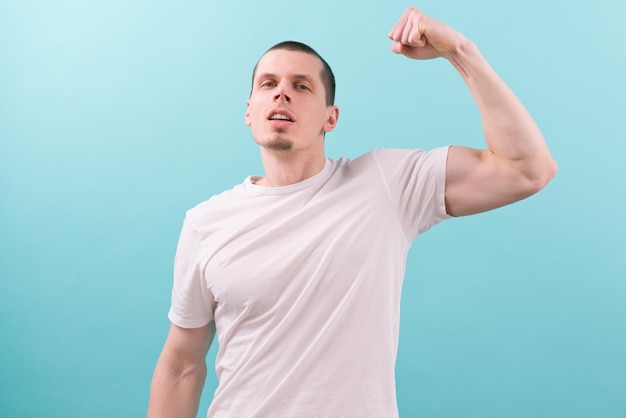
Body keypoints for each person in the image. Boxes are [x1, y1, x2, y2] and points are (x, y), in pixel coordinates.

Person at [147, 6, 557, 418]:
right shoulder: (206, 223)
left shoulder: (386, 184)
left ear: (331, 117)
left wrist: (461, 51)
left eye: (302, 86)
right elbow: (181, 365)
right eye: (268, 83)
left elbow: (527, 169)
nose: (281, 92)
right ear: (249, 111)